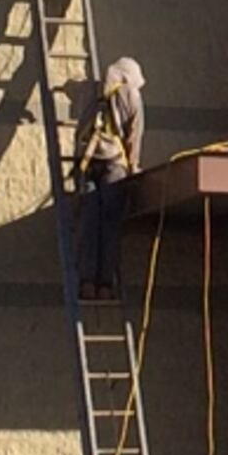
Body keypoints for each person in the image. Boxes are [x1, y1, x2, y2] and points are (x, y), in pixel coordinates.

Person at [75, 54, 144, 300]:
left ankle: (86, 282)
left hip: (87, 162)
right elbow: (133, 137)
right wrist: (133, 168)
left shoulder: (92, 90)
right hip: (114, 165)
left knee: (89, 224)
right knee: (110, 226)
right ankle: (105, 284)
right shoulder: (131, 96)